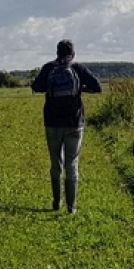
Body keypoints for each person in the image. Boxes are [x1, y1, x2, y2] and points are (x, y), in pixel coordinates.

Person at [30, 39, 103, 214]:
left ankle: (56, 202)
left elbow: (36, 87)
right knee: (72, 164)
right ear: (73, 53)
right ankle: (72, 207)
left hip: (52, 123)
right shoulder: (78, 68)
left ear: (57, 53)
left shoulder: (48, 68)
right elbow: (98, 87)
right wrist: (81, 89)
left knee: (55, 162)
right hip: (74, 124)